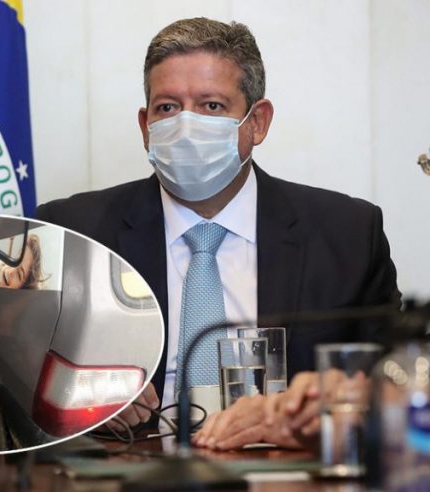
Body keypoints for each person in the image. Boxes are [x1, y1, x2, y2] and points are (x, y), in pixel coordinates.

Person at [36, 17, 400, 433]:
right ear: (145, 126)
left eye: (211, 106)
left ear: (257, 122)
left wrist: (321, 412)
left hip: (285, 461)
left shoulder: (347, 234)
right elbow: (16, 370)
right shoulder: (72, 231)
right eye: (167, 108)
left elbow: (395, 381)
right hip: (130, 460)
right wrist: (82, 397)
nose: (185, 126)